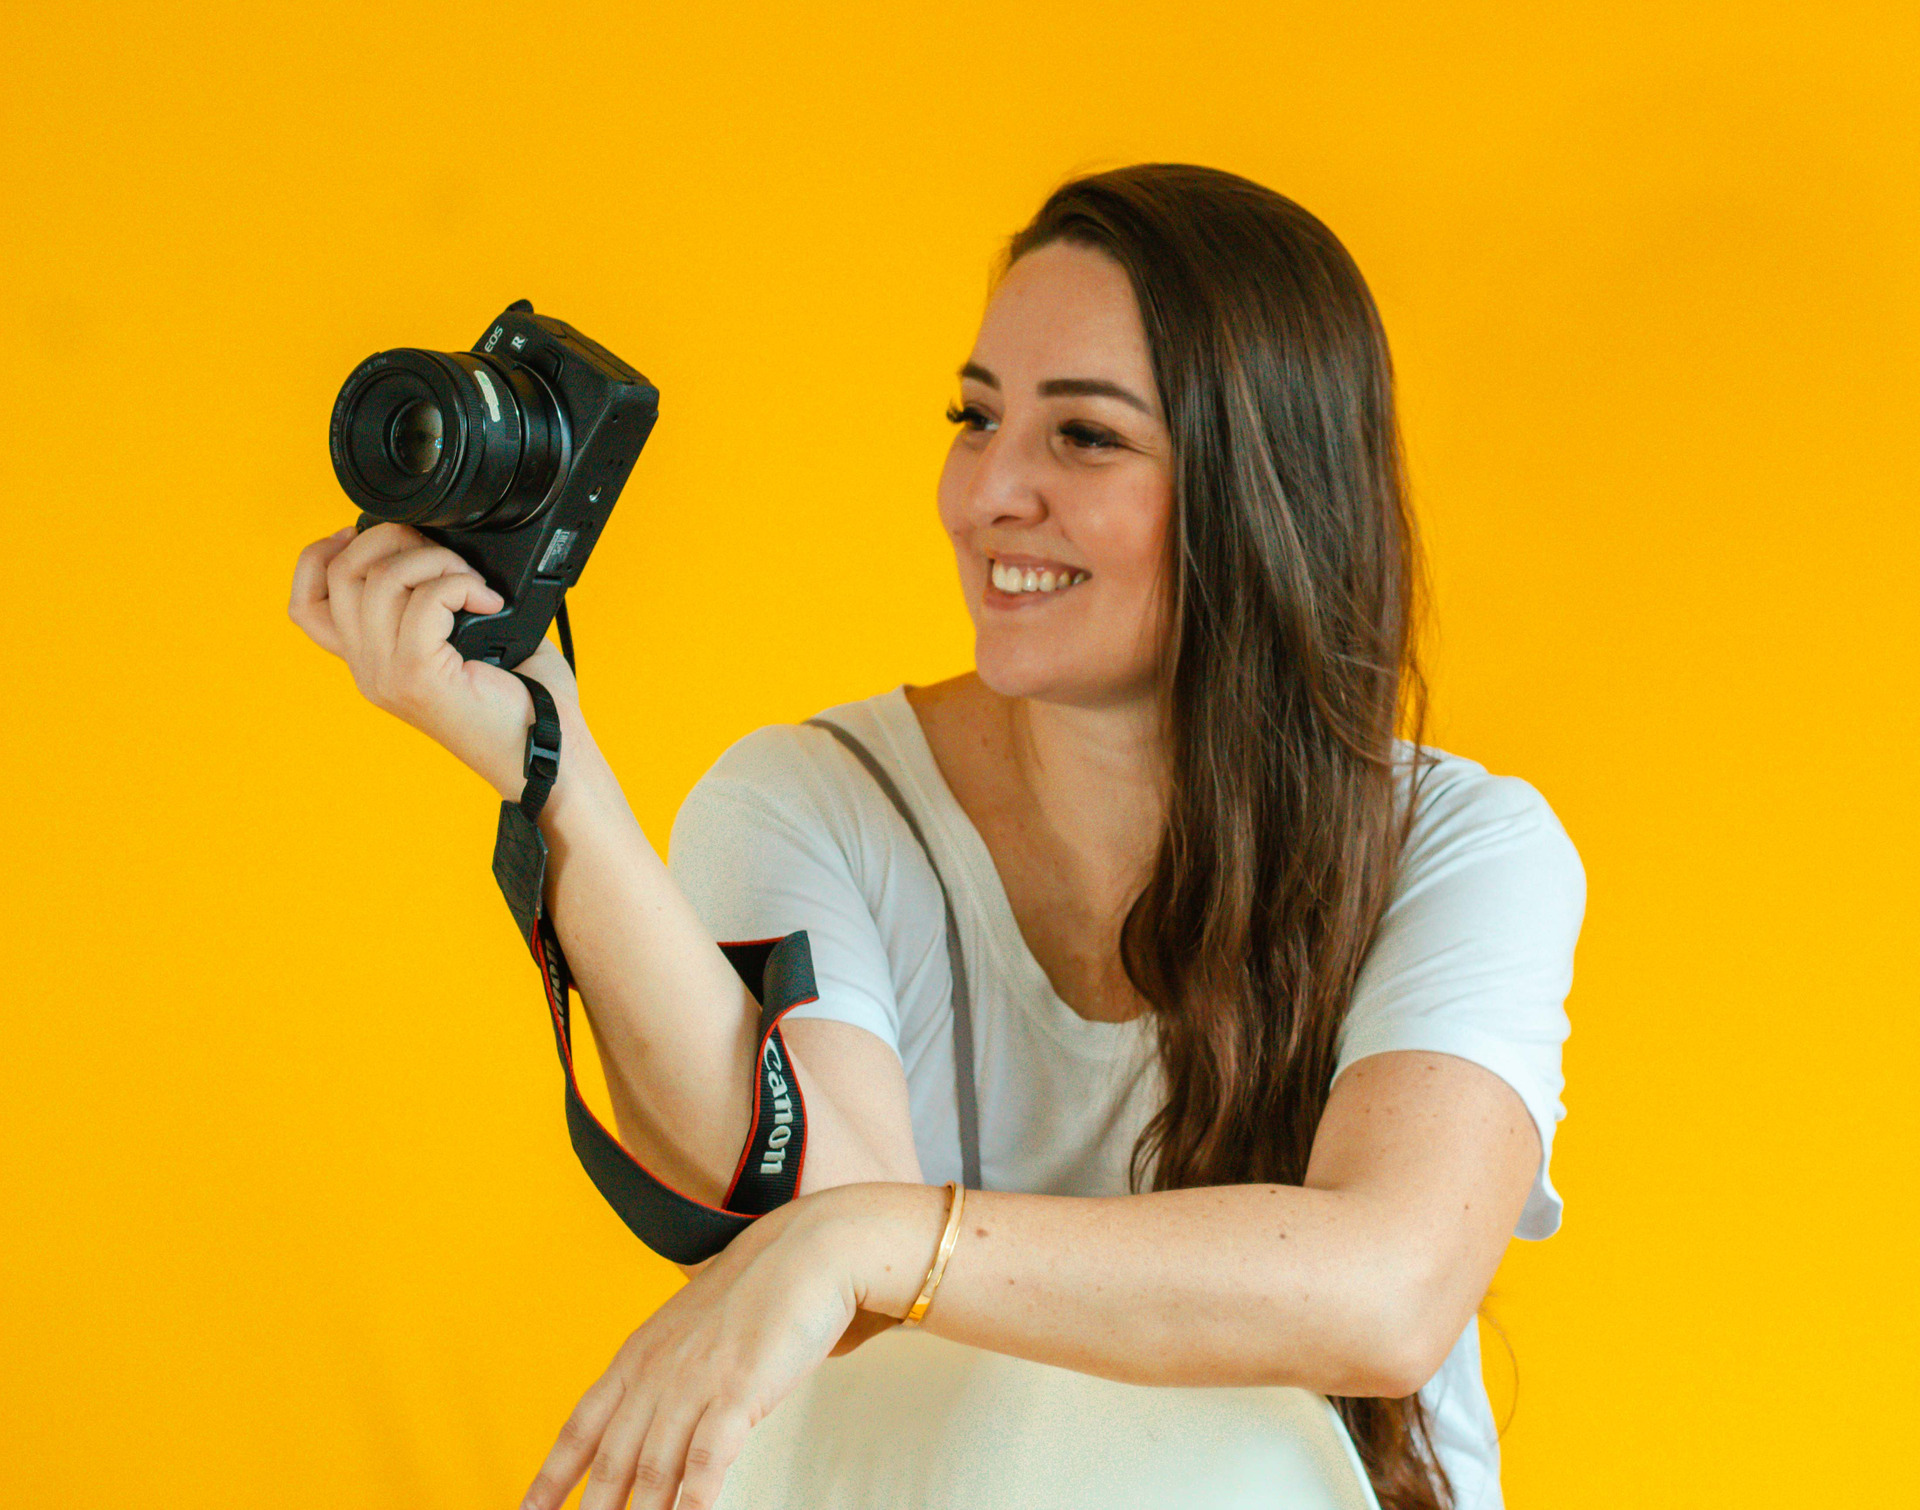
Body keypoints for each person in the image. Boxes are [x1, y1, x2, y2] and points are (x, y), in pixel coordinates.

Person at [289, 163, 1585, 1510]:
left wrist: (874, 1236)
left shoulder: (1461, 848)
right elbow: (823, 1224)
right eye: (977, 418)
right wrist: (552, 769)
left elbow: (1388, 1289)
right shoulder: (817, 801)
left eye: (1085, 436)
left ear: (1264, 487)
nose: (990, 490)